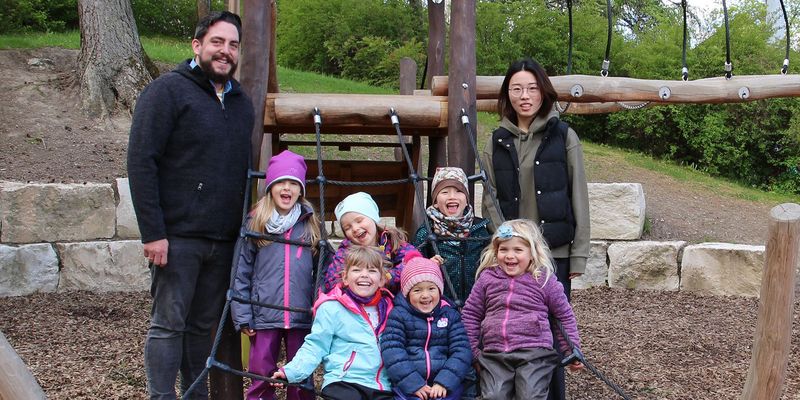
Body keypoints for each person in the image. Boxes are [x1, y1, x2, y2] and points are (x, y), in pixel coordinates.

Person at [127, 11, 254, 400]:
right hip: (178, 237)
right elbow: (141, 161)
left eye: (232, 45)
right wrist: (154, 233)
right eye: (217, 42)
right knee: (168, 324)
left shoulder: (241, 104)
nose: (225, 51)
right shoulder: (167, 92)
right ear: (197, 46)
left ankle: (195, 396)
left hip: (222, 240)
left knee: (203, 329)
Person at [480, 57, 590, 400]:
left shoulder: (563, 136)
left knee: (552, 334)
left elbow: (579, 194)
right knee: (510, 331)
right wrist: (505, 244)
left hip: (553, 252)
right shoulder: (496, 140)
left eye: (531, 88)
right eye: (516, 89)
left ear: (543, 92)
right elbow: (490, 198)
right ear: (507, 94)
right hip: (512, 255)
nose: (524, 95)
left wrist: (578, 256)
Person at [230, 150, 320, 400]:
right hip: (263, 313)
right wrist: (243, 315)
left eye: (294, 183)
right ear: (270, 186)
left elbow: (324, 267)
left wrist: (320, 303)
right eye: (281, 182)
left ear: (301, 190)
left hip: (300, 315)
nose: (287, 188)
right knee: (261, 377)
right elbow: (241, 272)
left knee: (300, 379)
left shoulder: (309, 224)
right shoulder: (255, 224)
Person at [461, 219, 583, 400]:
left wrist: (572, 350)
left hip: (534, 353)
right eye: (504, 250)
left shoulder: (544, 280)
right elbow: (471, 314)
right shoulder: (488, 278)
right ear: (496, 252)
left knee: (530, 395)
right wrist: (473, 352)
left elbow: (564, 315)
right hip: (495, 353)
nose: (510, 256)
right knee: (493, 396)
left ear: (532, 253)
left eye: (518, 250)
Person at [271, 245, 395, 400]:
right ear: (345, 277)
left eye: (372, 271)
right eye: (357, 270)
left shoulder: (390, 309)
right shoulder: (332, 308)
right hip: (344, 381)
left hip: (381, 385)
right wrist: (291, 372)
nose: (364, 275)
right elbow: (316, 345)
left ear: (382, 279)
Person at [380, 255, 472, 400]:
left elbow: (461, 350)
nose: (425, 295)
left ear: (440, 291)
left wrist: (444, 382)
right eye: (417, 290)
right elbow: (393, 350)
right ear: (407, 294)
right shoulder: (399, 315)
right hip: (409, 385)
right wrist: (414, 384)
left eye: (431, 288)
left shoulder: (450, 315)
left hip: (445, 384)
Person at [412, 166, 491, 303]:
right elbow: (412, 266)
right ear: (435, 201)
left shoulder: (479, 231)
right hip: (441, 306)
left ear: (466, 198)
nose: (452, 197)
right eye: (445, 192)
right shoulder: (427, 232)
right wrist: (427, 266)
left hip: (475, 304)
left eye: (459, 191)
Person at [323, 191, 421, 293]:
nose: (355, 228)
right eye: (347, 228)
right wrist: (356, 282)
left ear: (372, 217)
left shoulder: (391, 241)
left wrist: (386, 277)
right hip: (357, 303)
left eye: (359, 220)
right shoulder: (346, 252)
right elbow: (331, 282)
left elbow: (414, 261)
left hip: (392, 301)